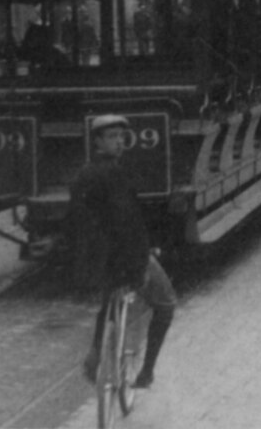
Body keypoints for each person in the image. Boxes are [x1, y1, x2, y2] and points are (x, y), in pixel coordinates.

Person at [70, 114, 175, 389]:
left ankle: (96, 354)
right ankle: (146, 373)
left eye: (121, 137)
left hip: (96, 261)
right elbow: (128, 224)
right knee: (166, 305)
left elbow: (77, 222)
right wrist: (141, 260)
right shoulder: (117, 174)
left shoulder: (83, 175)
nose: (119, 143)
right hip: (125, 259)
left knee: (110, 301)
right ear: (98, 142)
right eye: (112, 137)